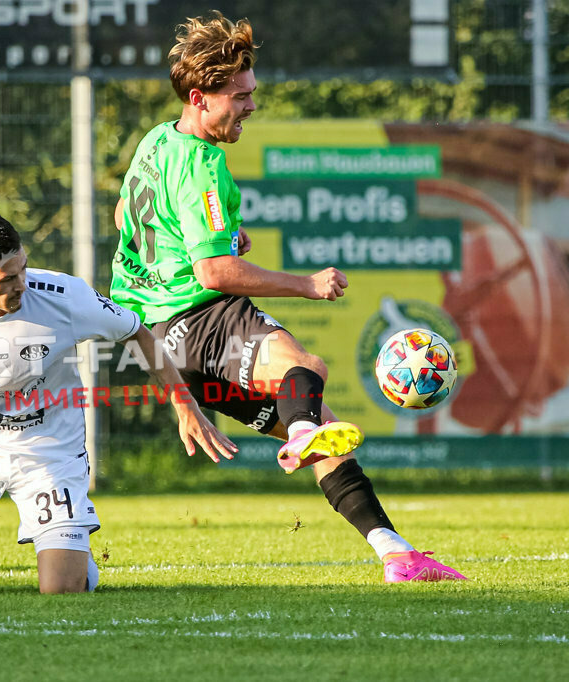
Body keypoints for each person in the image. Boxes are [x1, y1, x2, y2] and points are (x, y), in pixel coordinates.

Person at [107, 12, 465, 583]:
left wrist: (214, 236)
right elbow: (216, 272)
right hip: (202, 318)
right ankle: (301, 433)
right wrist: (307, 284)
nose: (251, 106)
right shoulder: (203, 165)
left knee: (325, 428)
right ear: (200, 97)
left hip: (170, 349)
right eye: (240, 97)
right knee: (308, 368)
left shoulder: (155, 141)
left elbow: (128, 213)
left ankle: (396, 554)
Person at [0, 211, 237, 593]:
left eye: (24, 269)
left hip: (48, 451)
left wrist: (184, 404)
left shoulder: (66, 297)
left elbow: (137, 333)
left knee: (61, 590)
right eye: (8, 278)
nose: (22, 284)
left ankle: (73, 551)